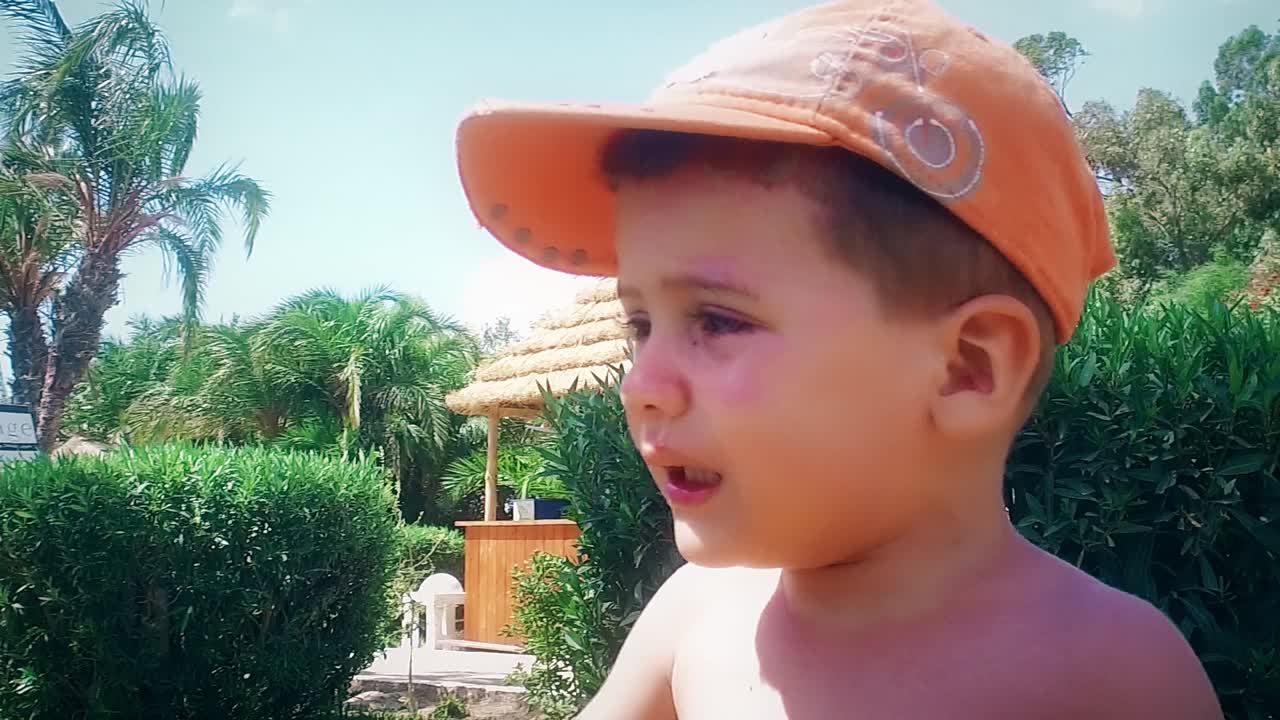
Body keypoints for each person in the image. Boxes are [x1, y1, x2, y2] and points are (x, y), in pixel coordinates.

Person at [452, 1, 1225, 717]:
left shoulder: (1110, 674)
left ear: (969, 369)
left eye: (717, 321)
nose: (641, 387)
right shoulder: (695, 619)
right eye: (640, 325)